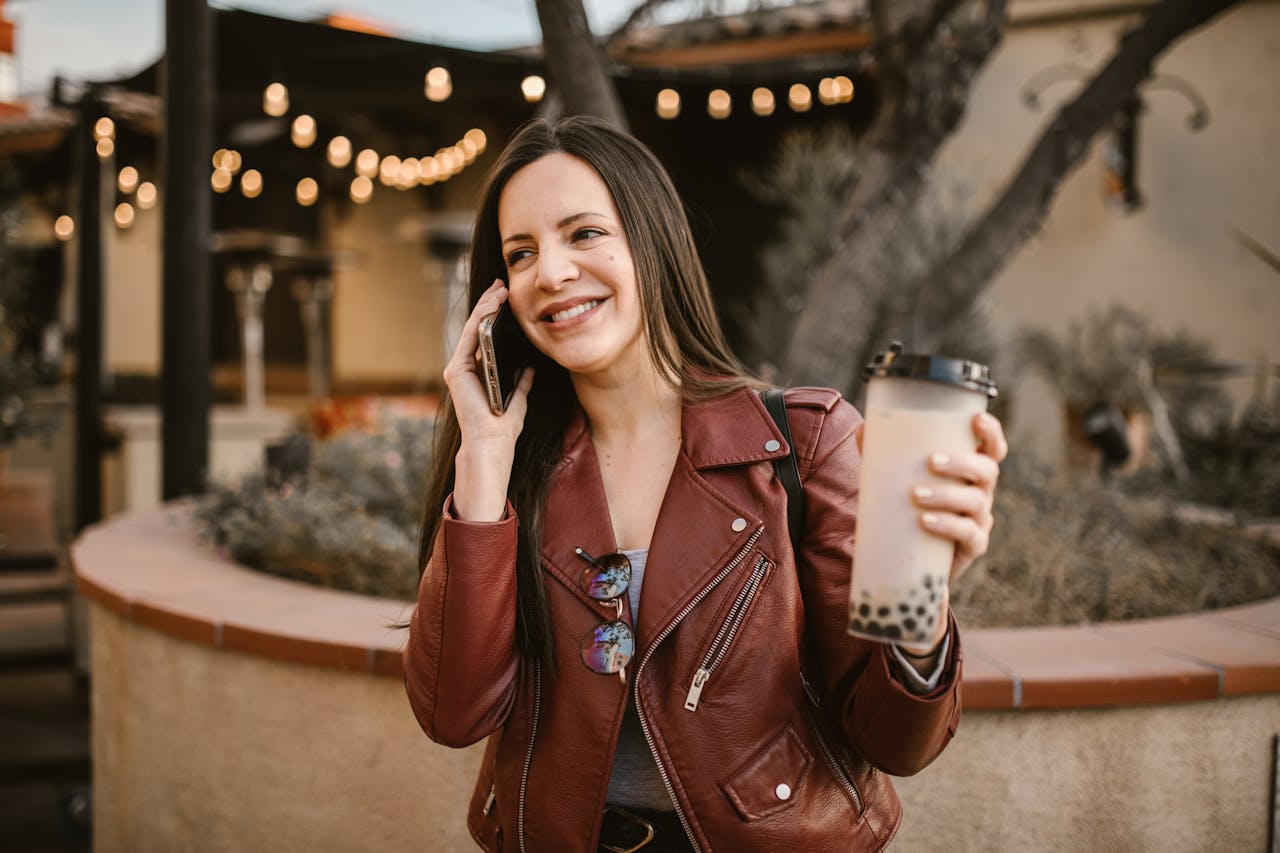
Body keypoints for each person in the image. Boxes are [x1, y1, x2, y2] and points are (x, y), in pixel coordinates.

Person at [403, 115, 1008, 853]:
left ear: (650, 241)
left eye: (584, 234)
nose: (551, 273)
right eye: (520, 252)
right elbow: (453, 714)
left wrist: (924, 604)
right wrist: (484, 462)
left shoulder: (802, 443)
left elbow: (894, 741)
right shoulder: (508, 476)